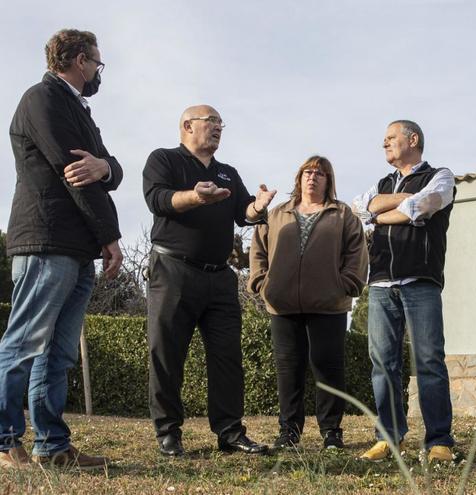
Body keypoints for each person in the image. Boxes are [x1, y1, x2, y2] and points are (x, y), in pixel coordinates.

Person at [0, 29, 123, 470]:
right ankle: (4, 440)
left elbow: (111, 169)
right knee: (24, 343)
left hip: (75, 246)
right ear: (74, 59)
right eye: (95, 63)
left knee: (58, 352)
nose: (96, 72)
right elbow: (76, 174)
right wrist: (110, 235)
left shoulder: (78, 109)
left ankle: (51, 446)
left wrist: (106, 165)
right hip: (46, 240)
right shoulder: (43, 99)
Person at [142, 105, 276, 457]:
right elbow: (157, 199)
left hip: (219, 277)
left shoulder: (227, 173)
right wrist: (194, 196)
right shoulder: (165, 160)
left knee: (227, 357)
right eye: (212, 121)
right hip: (173, 271)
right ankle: (169, 433)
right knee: (167, 354)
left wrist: (258, 206)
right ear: (188, 125)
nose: (218, 128)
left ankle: (230, 432)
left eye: (221, 123)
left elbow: (243, 213)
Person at [351, 120, 456, 463]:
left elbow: (423, 207)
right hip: (380, 282)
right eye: (383, 140)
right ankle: (387, 438)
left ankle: (439, 441)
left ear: (413, 140)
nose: (384, 144)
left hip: (420, 282)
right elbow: (357, 208)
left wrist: (379, 215)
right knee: (383, 364)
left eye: (391, 138)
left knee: (428, 362)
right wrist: (398, 200)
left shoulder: (441, 176)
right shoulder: (382, 183)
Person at [248, 156, 367, 450]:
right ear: (299, 178)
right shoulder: (276, 214)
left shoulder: (342, 215)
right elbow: (258, 249)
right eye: (307, 172)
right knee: (288, 368)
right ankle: (289, 432)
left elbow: (357, 253)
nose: (312, 177)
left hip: (329, 305)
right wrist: (262, 284)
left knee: (328, 367)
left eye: (320, 173)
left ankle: (331, 432)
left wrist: (345, 285)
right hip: (283, 304)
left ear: (329, 181)